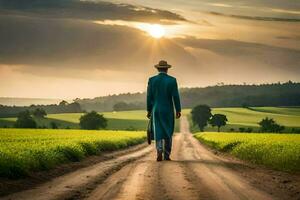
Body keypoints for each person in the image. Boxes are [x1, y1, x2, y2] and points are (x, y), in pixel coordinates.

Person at [147, 60, 181, 161]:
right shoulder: (172, 80)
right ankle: (167, 154)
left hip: (156, 109)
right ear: (167, 69)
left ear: (158, 69)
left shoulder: (152, 80)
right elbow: (175, 96)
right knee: (168, 131)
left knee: (158, 131)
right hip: (168, 109)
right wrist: (178, 109)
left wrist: (149, 109)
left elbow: (149, 96)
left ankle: (159, 150)